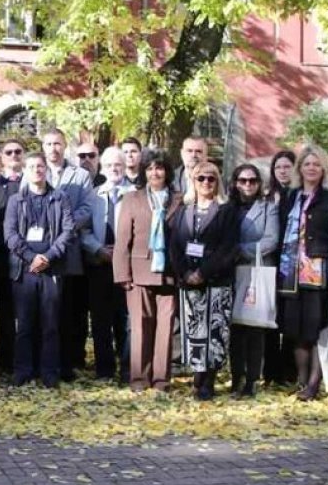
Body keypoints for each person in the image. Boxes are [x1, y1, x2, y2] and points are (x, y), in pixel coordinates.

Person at [167, 162, 241, 400]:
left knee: (215, 334)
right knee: (195, 332)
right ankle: (198, 376)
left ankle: (208, 380)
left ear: (217, 182)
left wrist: (203, 272)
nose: (206, 183)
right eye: (201, 178)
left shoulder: (226, 211)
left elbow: (228, 248)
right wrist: (185, 273)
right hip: (189, 283)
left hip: (217, 282)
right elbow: (175, 246)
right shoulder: (183, 210)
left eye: (211, 178)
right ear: (193, 181)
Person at [276, 145, 328, 400]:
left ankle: (314, 383)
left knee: (316, 329)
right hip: (290, 271)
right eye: (307, 164)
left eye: (316, 164)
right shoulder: (290, 196)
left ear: (323, 168)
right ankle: (301, 380)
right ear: (300, 168)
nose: (311, 168)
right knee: (295, 330)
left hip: (317, 270)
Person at [4, 153, 75, 387]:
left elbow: (68, 231)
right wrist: (31, 257)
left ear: (46, 170)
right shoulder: (15, 201)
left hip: (51, 269)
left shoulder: (60, 198)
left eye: (40, 166)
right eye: (32, 166)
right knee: (24, 324)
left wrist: (48, 257)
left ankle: (49, 373)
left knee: (51, 325)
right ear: (25, 170)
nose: (37, 170)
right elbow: (10, 234)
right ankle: (23, 371)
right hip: (24, 270)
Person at [113, 149, 179, 393]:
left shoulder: (180, 200)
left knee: (165, 327)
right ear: (144, 172)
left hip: (170, 273)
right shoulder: (132, 199)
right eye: (150, 168)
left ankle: (161, 380)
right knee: (140, 326)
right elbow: (122, 240)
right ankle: (139, 378)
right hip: (139, 271)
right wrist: (122, 274)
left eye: (159, 168)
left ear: (167, 172)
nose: (155, 173)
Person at [41, 128, 93, 380]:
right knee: (44, 310)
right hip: (40, 253)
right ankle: (44, 362)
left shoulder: (80, 175)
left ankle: (67, 364)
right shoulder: (34, 171)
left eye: (57, 144)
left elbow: (87, 209)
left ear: (65, 146)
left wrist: (64, 227)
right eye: (49, 144)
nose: (53, 148)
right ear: (43, 147)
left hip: (69, 251)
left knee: (67, 311)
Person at [228, 163, 280, 398]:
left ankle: (251, 380)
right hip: (231, 273)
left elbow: (271, 240)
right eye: (243, 180)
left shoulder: (268, 208)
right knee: (235, 328)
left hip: (256, 270)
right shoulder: (228, 207)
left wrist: (240, 250)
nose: (247, 185)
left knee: (255, 328)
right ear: (235, 183)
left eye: (252, 180)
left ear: (259, 183)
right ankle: (236, 377)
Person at [82, 147, 132, 381]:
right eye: (110, 165)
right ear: (102, 168)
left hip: (127, 267)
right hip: (99, 265)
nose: (114, 169)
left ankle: (127, 368)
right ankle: (104, 369)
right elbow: (83, 230)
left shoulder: (136, 195)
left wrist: (122, 252)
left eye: (118, 165)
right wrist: (99, 249)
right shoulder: (93, 196)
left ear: (125, 167)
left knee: (125, 319)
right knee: (100, 320)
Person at [0, 139, 25, 380]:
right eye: (8, 152)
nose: (13, 155)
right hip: (1, 260)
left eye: (17, 151)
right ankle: (5, 361)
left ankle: (26, 360)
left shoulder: (32, 182)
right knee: (4, 315)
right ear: (2, 157)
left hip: (27, 258)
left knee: (28, 314)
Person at [262, 148, 299, 386]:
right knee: (271, 318)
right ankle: (271, 371)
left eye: (287, 167)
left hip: (294, 264)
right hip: (271, 263)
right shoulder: (267, 197)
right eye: (278, 167)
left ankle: (289, 370)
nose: (283, 171)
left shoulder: (300, 196)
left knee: (291, 318)